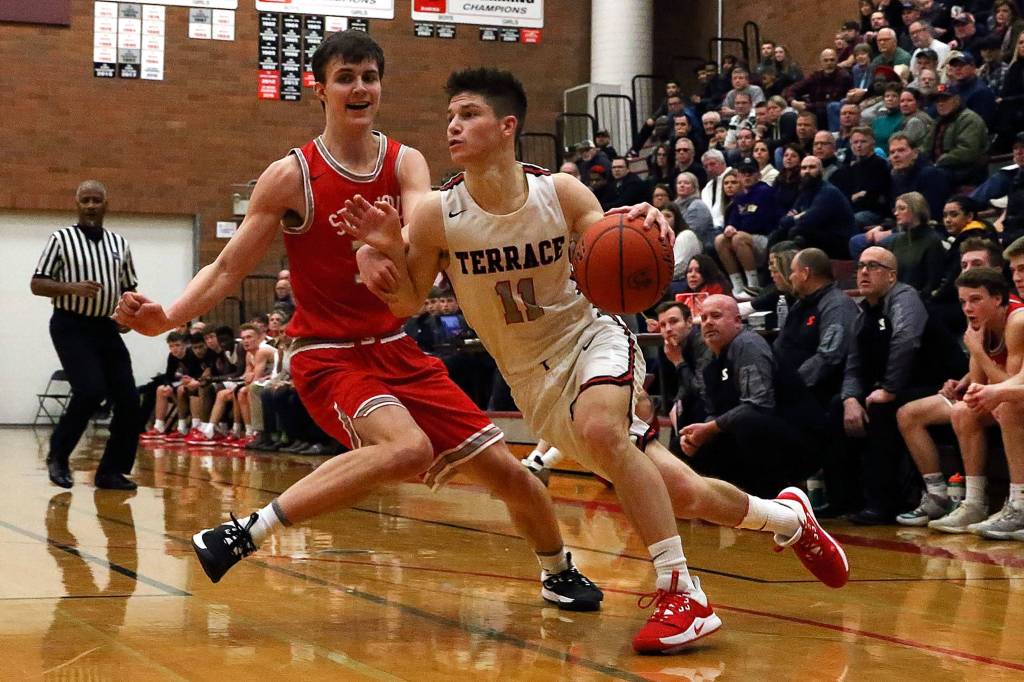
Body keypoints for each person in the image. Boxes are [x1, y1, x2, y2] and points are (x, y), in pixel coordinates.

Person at [343, 66, 849, 654]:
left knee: (602, 426)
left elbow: (617, 247)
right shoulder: (435, 215)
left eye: (469, 114)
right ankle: (789, 520)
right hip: (533, 382)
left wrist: (646, 221)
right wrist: (383, 249)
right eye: (451, 116)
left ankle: (682, 592)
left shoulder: (559, 192)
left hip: (591, 339)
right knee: (681, 494)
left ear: (507, 127)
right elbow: (407, 302)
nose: (453, 126)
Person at [114, 32, 605, 613]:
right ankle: (245, 531)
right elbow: (225, 268)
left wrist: (386, 242)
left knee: (512, 475)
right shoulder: (290, 175)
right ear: (318, 89)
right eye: (346, 77)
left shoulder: (406, 162)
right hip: (328, 354)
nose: (361, 88)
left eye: (370, 76)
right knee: (408, 449)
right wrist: (166, 316)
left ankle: (556, 571)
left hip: (396, 346)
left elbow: (419, 234)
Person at [839, 247, 966, 523]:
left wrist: (889, 389)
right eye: (860, 266)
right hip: (902, 386)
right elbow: (854, 364)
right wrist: (849, 398)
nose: (863, 272)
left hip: (943, 385)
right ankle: (846, 498)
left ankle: (885, 503)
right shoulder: (864, 315)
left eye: (873, 266)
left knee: (883, 410)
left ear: (891, 275)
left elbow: (906, 341)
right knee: (838, 410)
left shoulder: (905, 298)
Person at [31, 180, 141, 491]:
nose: (91, 205)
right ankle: (58, 456)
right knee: (90, 391)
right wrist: (71, 288)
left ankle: (111, 471)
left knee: (130, 400)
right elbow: (37, 283)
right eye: (85, 200)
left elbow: (129, 288)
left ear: (106, 205)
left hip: (106, 327)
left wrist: (128, 316)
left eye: (96, 200)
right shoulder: (61, 239)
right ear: (77, 205)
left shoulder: (120, 244)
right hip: (71, 325)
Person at [897, 266, 1024, 529]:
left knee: (1006, 407)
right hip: (1002, 393)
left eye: (975, 300)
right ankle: (970, 502)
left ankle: (1018, 504)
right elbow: (978, 383)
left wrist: (977, 351)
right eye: (963, 301)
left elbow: (1011, 385)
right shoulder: (978, 320)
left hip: (1012, 394)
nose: (967, 308)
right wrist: (972, 389)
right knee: (958, 410)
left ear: (998, 299)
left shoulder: (1016, 321)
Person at [681, 295, 826, 498]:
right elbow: (713, 412)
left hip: (799, 437)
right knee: (692, 434)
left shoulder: (747, 344)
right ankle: (717, 500)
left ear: (737, 321)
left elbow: (759, 404)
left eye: (716, 316)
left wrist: (710, 428)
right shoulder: (709, 361)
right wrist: (697, 435)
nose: (708, 323)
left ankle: (773, 498)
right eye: (703, 318)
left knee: (746, 423)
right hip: (758, 433)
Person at [775, 248, 860, 408]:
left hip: (815, 392)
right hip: (787, 386)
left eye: (793, 272)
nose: (790, 277)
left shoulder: (837, 306)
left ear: (805, 273)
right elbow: (781, 343)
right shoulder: (800, 304)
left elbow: (829, 356)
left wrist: (791, 384)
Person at [716, 157, 779, 296]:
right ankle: (737, 286)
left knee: (738, 238)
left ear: (758, 174)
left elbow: (757, 222)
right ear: (738, 175)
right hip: (745, 239)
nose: (747, 175)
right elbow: (733, 221)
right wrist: (730, 227)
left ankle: (753, 286)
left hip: (766, 240)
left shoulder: (764, 191)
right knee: (720, 240)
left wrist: (736, 228)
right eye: (743, 172)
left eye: (750, 172)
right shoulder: (740, 197)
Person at [775, 155, 857, 259]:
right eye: (804, 168)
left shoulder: (828, 191)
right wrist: (799, 216)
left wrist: (797, 217)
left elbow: (809, 221)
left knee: (797, 232)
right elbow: (783, 221)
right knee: (777, 234)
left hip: (840, 241)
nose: (807, 171)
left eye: (812, 167)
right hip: (820, 234)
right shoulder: (805, 192)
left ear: (821, 171)